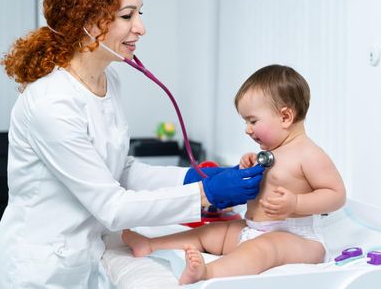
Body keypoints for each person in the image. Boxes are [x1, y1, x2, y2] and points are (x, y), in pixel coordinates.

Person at [0, 0, 264, 289]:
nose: (141, 28)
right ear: (87, 21)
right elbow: (112, 207)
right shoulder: (51, 103)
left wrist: (194, 177)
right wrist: (204, 195)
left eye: (139, 13)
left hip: (82, 256)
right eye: (127, 15)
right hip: (38, 269)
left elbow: (121, 171)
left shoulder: (108, 82)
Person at [122, 64, 347, 285]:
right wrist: (248, 166)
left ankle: (207, 272)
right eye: (245, 121)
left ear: (285, 117)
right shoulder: (271, 150)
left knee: (263, 249)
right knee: (211, 232)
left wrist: (296, 203)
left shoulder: (309, 154)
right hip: (254, 228)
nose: (247, 129)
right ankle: (151, 245)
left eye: (253, 121)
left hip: (298, 239)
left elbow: (336, 195)